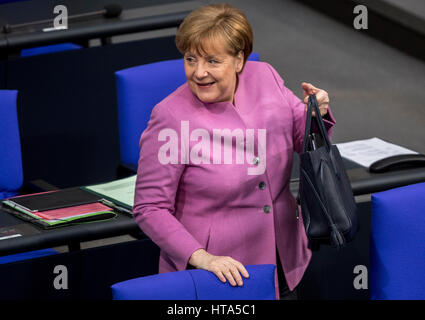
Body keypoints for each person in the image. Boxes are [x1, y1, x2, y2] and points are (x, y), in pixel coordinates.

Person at [132, 3, 335, 300]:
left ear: (239, 59)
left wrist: (316, 114)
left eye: (212, 61)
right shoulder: (170, 117)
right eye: (190, 59)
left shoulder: (266, 77)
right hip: (217, 274)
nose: (198, 73)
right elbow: (149, 208)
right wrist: (203, 258)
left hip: (284, 253)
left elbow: (300, 139)